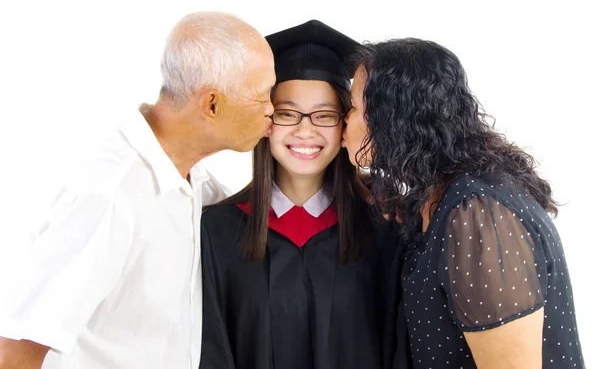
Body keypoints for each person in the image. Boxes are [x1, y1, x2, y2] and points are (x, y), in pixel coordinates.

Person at [0, 11, 275, 369]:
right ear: (212, 104)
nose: (271, 109)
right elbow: (15, 351)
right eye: (263, 95)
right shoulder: (108, 194)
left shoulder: (197, 184)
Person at [342, 38, 585, 368]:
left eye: (354, 107)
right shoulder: (436, 198)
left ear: (391, 119)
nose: (344, 118)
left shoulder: (478, 215)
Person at [199, 20, 395, 369]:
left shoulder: (385, 228)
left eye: (324, 115)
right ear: (266, 121)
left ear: (346, 124)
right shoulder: (217, 232)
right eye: (287, 113)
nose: (305, 131)